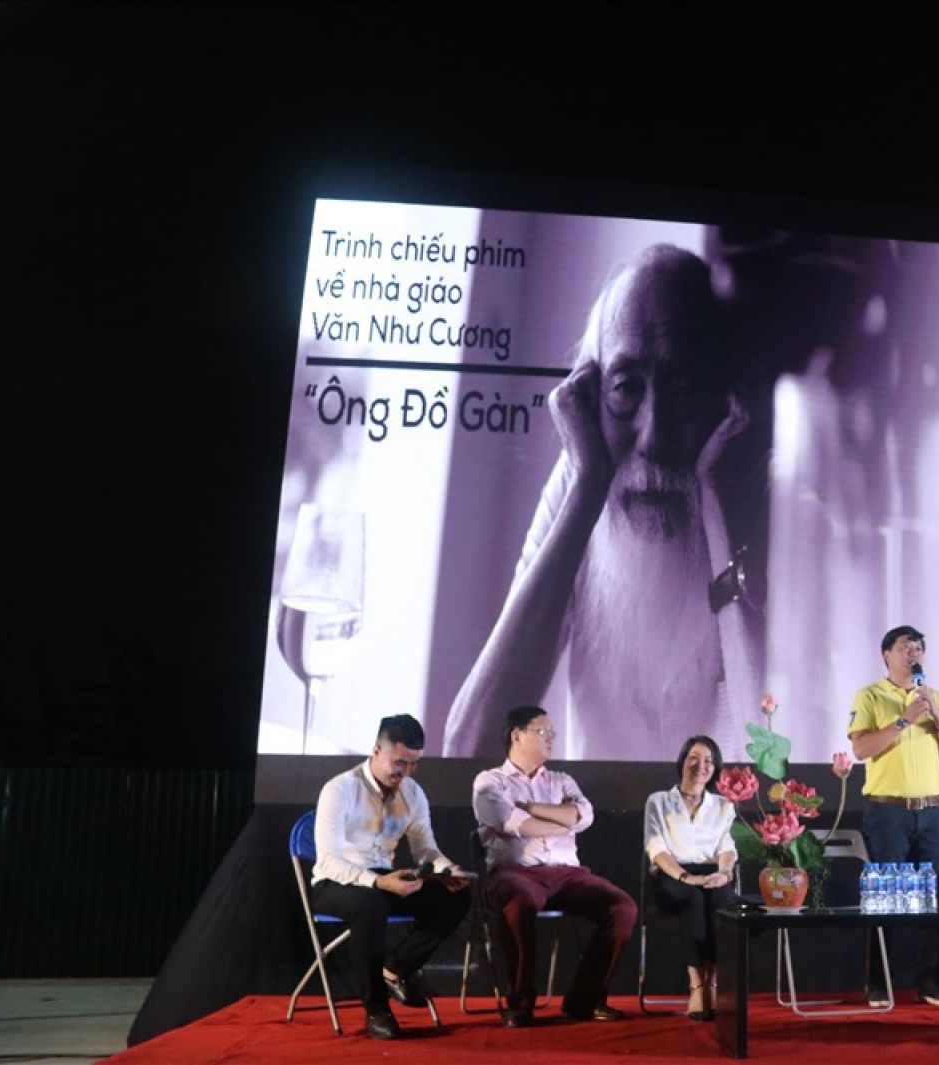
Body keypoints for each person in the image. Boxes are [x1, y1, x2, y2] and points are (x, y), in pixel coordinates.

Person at [445, 244, 765, 759]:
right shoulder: (584, 483)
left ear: (728, 398)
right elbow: (469, 748)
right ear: (589, 396)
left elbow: (779, 777)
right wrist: (587, 485)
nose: (652, 436)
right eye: (625, 387)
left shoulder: (784, 500)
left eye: (684, 386)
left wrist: (716, 508)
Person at [473, 706, 638, 1026]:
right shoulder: (490, 781)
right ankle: (520, 1002)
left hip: (568, 874)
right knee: (519, 901)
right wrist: (562, 823)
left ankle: (584, 1000)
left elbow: (584, 816)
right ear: (517, 735)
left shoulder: (562, 781)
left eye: (553, 733)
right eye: (543, 732)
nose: (551, 738)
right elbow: (517, 825)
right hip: (516, 872)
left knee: (622, 907)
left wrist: (531, 807)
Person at [310, 714, 471, 1040]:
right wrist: (378, 882)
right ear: (376, 751)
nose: (407, 772)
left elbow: (425, 851)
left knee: (455, 894)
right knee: (370, 903)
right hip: (335, 882)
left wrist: (444, 869)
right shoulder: (340, 789)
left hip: (386, 878)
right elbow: (328, 861)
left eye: (414, 763)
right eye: (400, 763)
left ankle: (396, 968)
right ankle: (376, 1009)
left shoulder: (413, 793)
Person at [848, 624, 939, 1007]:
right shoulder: (870, 695)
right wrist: (905, 719)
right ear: (887, 654)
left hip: (932, 812)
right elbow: (861, 749)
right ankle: (879, 982)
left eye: (918, 647)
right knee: (886, 898)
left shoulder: (934, 697)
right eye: (905, 647)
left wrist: (937, 716)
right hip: (889, 812)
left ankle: (929, 981)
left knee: (929, 899)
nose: (913, 652)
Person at [642, 735, 739, 1020]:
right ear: (683, 762)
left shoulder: (724, 805)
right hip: (672, 875)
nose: (701, 766)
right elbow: (656, 848)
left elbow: (727, 847)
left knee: (722, 900)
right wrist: (685, 877)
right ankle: (696, 985)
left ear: (715, 768)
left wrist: (724, 874)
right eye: (694, 758)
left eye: (709, 761)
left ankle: (714, 983)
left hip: (712, 873)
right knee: (693, 898)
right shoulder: (658, 801)